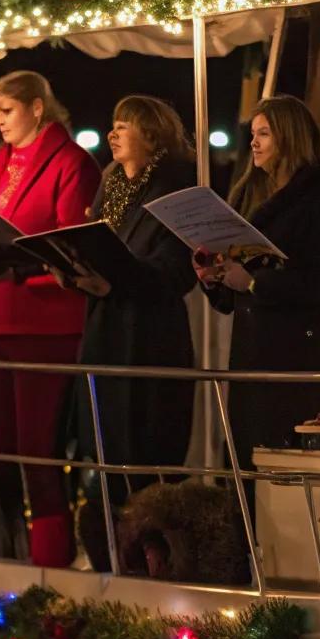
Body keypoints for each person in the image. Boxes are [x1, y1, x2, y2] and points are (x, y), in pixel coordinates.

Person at [0, 70, 100, 567]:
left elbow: (74, 248)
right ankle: (15, 558)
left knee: (38, 453)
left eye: (7, 110)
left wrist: (21, 266)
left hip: (45, 327)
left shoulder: (71, 163)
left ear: (37, 108)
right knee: (1, 453)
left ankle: (52, 563)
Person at [195, 94, 320, 471]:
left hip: (302, 355)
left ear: (290, 137)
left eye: (264, 134)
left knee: (292, 464)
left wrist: (255, 284)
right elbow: (229, 298)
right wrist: (213, 278)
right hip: (254, 355)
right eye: (253, 133)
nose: (253, 143)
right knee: (251, 457)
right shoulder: (249, 192)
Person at [70, 96, 198, 569]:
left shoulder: (174, 185)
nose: (113, 133)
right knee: (102, 447)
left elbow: (174, 270)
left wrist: (117, 280)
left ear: (154, 134)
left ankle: (156, 558)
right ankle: (112, 557)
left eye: (125, 125)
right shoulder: (110, 183)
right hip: (105, 330)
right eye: (112, 124)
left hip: (149, 335)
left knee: (146, 448)